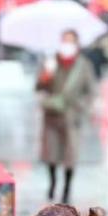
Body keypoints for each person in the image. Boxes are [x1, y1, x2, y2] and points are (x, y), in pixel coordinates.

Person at [36, 29, 97, 204]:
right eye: (64, 40)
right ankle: (53, 183)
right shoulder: (50, 62)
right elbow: (38, 87)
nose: (66, 45)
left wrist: (82, 106)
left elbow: (91, 91)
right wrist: (45, 77)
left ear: (77, 44)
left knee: (70, 154)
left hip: (72, 116)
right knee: (51, 153)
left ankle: (67, 188)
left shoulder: (84, 65)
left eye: (70, 41)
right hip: (52, 115)